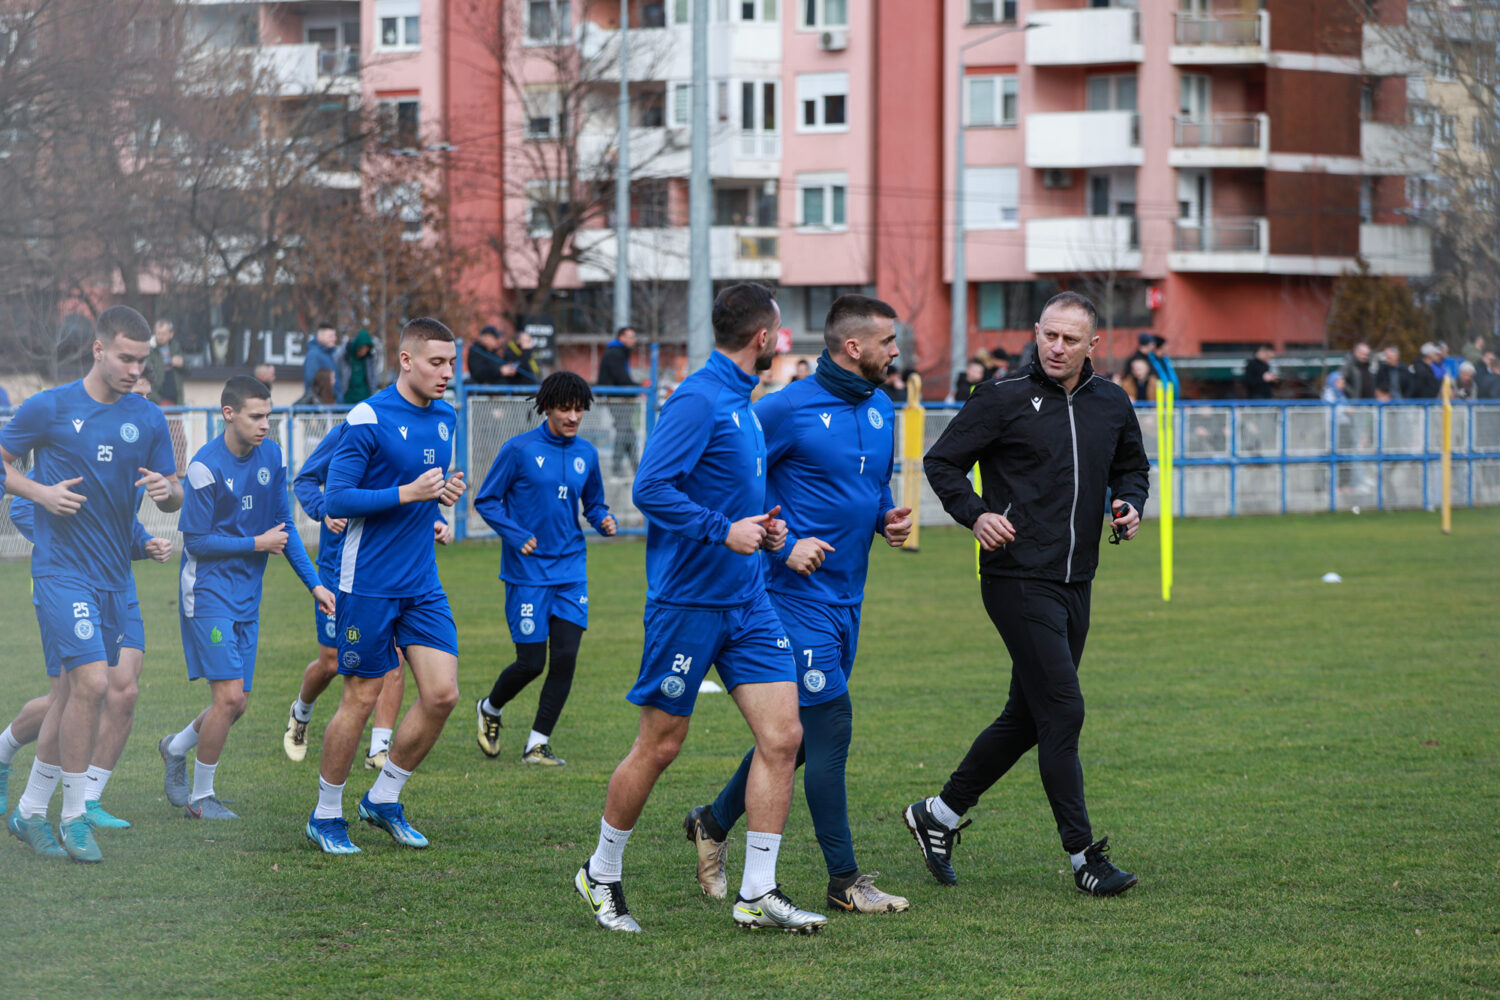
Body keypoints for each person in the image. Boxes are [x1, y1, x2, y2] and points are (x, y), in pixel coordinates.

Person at [573, 282, 825, 934]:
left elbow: (732, 502)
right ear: (762, 338)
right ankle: (600, 871)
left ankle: (758, 891)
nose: (780, 344)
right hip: (687, 603)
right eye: (778, 334)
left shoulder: (743, 401)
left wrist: (765, 533)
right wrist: (721, 529)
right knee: (661, 745)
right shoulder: (699, 397)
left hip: (749, 601)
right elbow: (650, 488)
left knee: (784, 737)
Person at [905, 291, 1149, 898]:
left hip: (1077, 578)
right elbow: (942, 463)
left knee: (1028, 715)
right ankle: (1084, 857)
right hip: (1015, 577)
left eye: (1071, 339)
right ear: (1037, 333)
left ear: (1093, 345)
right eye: (1049, 335)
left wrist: (1129, 503)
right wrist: (976, 514)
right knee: (1063, 709)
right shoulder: (1001, 397)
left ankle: (938, 814)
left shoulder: (1112, 401)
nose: (1057, 348)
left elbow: (1132, 467)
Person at [682, 294, 914, 917]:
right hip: (789, 598)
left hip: (848, 599)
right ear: (853, 347)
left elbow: (871, 484)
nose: (897, 352)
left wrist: (884, 518)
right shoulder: (782, 409)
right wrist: (784, 548)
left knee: (799, 736)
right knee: (831, 725)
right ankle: (845, 881)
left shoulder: (883, 406)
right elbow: (731, 486)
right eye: (888, 342)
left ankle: (712, 821)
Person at [1, 305, 182, 862]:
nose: (135, 369)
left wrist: (167, 493)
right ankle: (75, 816)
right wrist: (39, 492)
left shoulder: (148, 418)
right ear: (99, 350)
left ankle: (30, 810)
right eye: (126, 358)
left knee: (69, 694)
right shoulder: (50, 406)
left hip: (114, 579)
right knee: (92, 684)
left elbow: (173, 490)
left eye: (143, 360)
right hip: (61, 572)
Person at [303, 317, 466, 855]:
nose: (447, 372)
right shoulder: (367, 417)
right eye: (436, 362)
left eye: (451, 362)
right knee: (362, 696)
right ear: (406, 360)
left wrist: (439, 502)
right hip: (366, 582)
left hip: (421, 581)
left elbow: (424, 490)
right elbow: (336, 498)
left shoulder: (445, 417)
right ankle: (326, 814)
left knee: (441, 695)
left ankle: (383, 798)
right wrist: (408, 493)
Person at [160, 377, 335, 819]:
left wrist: (314, 584)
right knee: (227, 698)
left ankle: (175, 747)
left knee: (237, 703)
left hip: (246, 596)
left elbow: (283, 526)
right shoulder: (204, 467)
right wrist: (255, 543)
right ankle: (201, 799)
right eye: (256, 417)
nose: (264, 425)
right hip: (207, 593)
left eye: (268, 416)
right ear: (229, 414)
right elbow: (196, 542)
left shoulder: (272, 456)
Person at [0, 481, 172, 830]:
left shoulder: (133, 454)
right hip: (67, 583)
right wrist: (77, 547)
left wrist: (143, 542)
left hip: (118, 583)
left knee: (124, 691)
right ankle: (4, 754)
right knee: (66, 695)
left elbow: (121, 520)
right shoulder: (69, 449)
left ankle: (88, 799)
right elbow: (22, 508)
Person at [474, 372, 616, 766]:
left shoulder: (587, 453)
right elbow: (486, 500)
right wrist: (517, 534)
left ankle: (537, 744)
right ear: (547, 407)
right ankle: (490, 707)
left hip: (571, 571)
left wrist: (603, 519)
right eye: (565, 408)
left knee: (566, 658)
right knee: (531, 663)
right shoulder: (518, 450)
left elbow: (594, 503)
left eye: (579, 409)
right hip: (528, 574)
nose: (573, 417)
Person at [282, 423, 434, 771]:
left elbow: (414, 489)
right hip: (338, 568)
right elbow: (305, 480)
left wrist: (436, 518)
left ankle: (379, 748)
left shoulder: (410, 434)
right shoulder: (350, 431)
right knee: (332, 661)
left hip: (386, 568)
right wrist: (323, 509)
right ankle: (301, 713)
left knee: (394, 654)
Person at [596, 326, 642, 476]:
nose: (634, 340)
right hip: (616, 398)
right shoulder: (615, 353)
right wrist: (638, 387)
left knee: (628, 432)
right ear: (622, 337)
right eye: (631, 336)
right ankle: (617, 468)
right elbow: (621, 378)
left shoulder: (618, 352)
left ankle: (636, 468)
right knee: (624, 431)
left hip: (618, 397)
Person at [145, 319, 185, 406]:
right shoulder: (149, 349)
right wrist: (159, 400)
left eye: (163, 334)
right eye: (158, 333)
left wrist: (183, 364)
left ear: (171, 334)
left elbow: (188, 370)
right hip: (158, 400)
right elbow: (146, 378)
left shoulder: (175, 346)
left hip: (176, 398)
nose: (160, 337)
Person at [304, 323, 342, 400]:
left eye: (334, 336)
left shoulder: (330, 354)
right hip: (324, 404)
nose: (334, 339)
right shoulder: (314, 355)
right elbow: (312, 382)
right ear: (319, 337)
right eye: (330, 336)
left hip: (332, 402)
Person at [341, 329, 378, 405]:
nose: (363, 352)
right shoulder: (344, 355)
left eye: (366, 350)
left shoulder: (369, 359)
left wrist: (373, 394)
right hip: (348, 398)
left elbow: (372, 378)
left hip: (365, 398)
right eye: (362, 349)